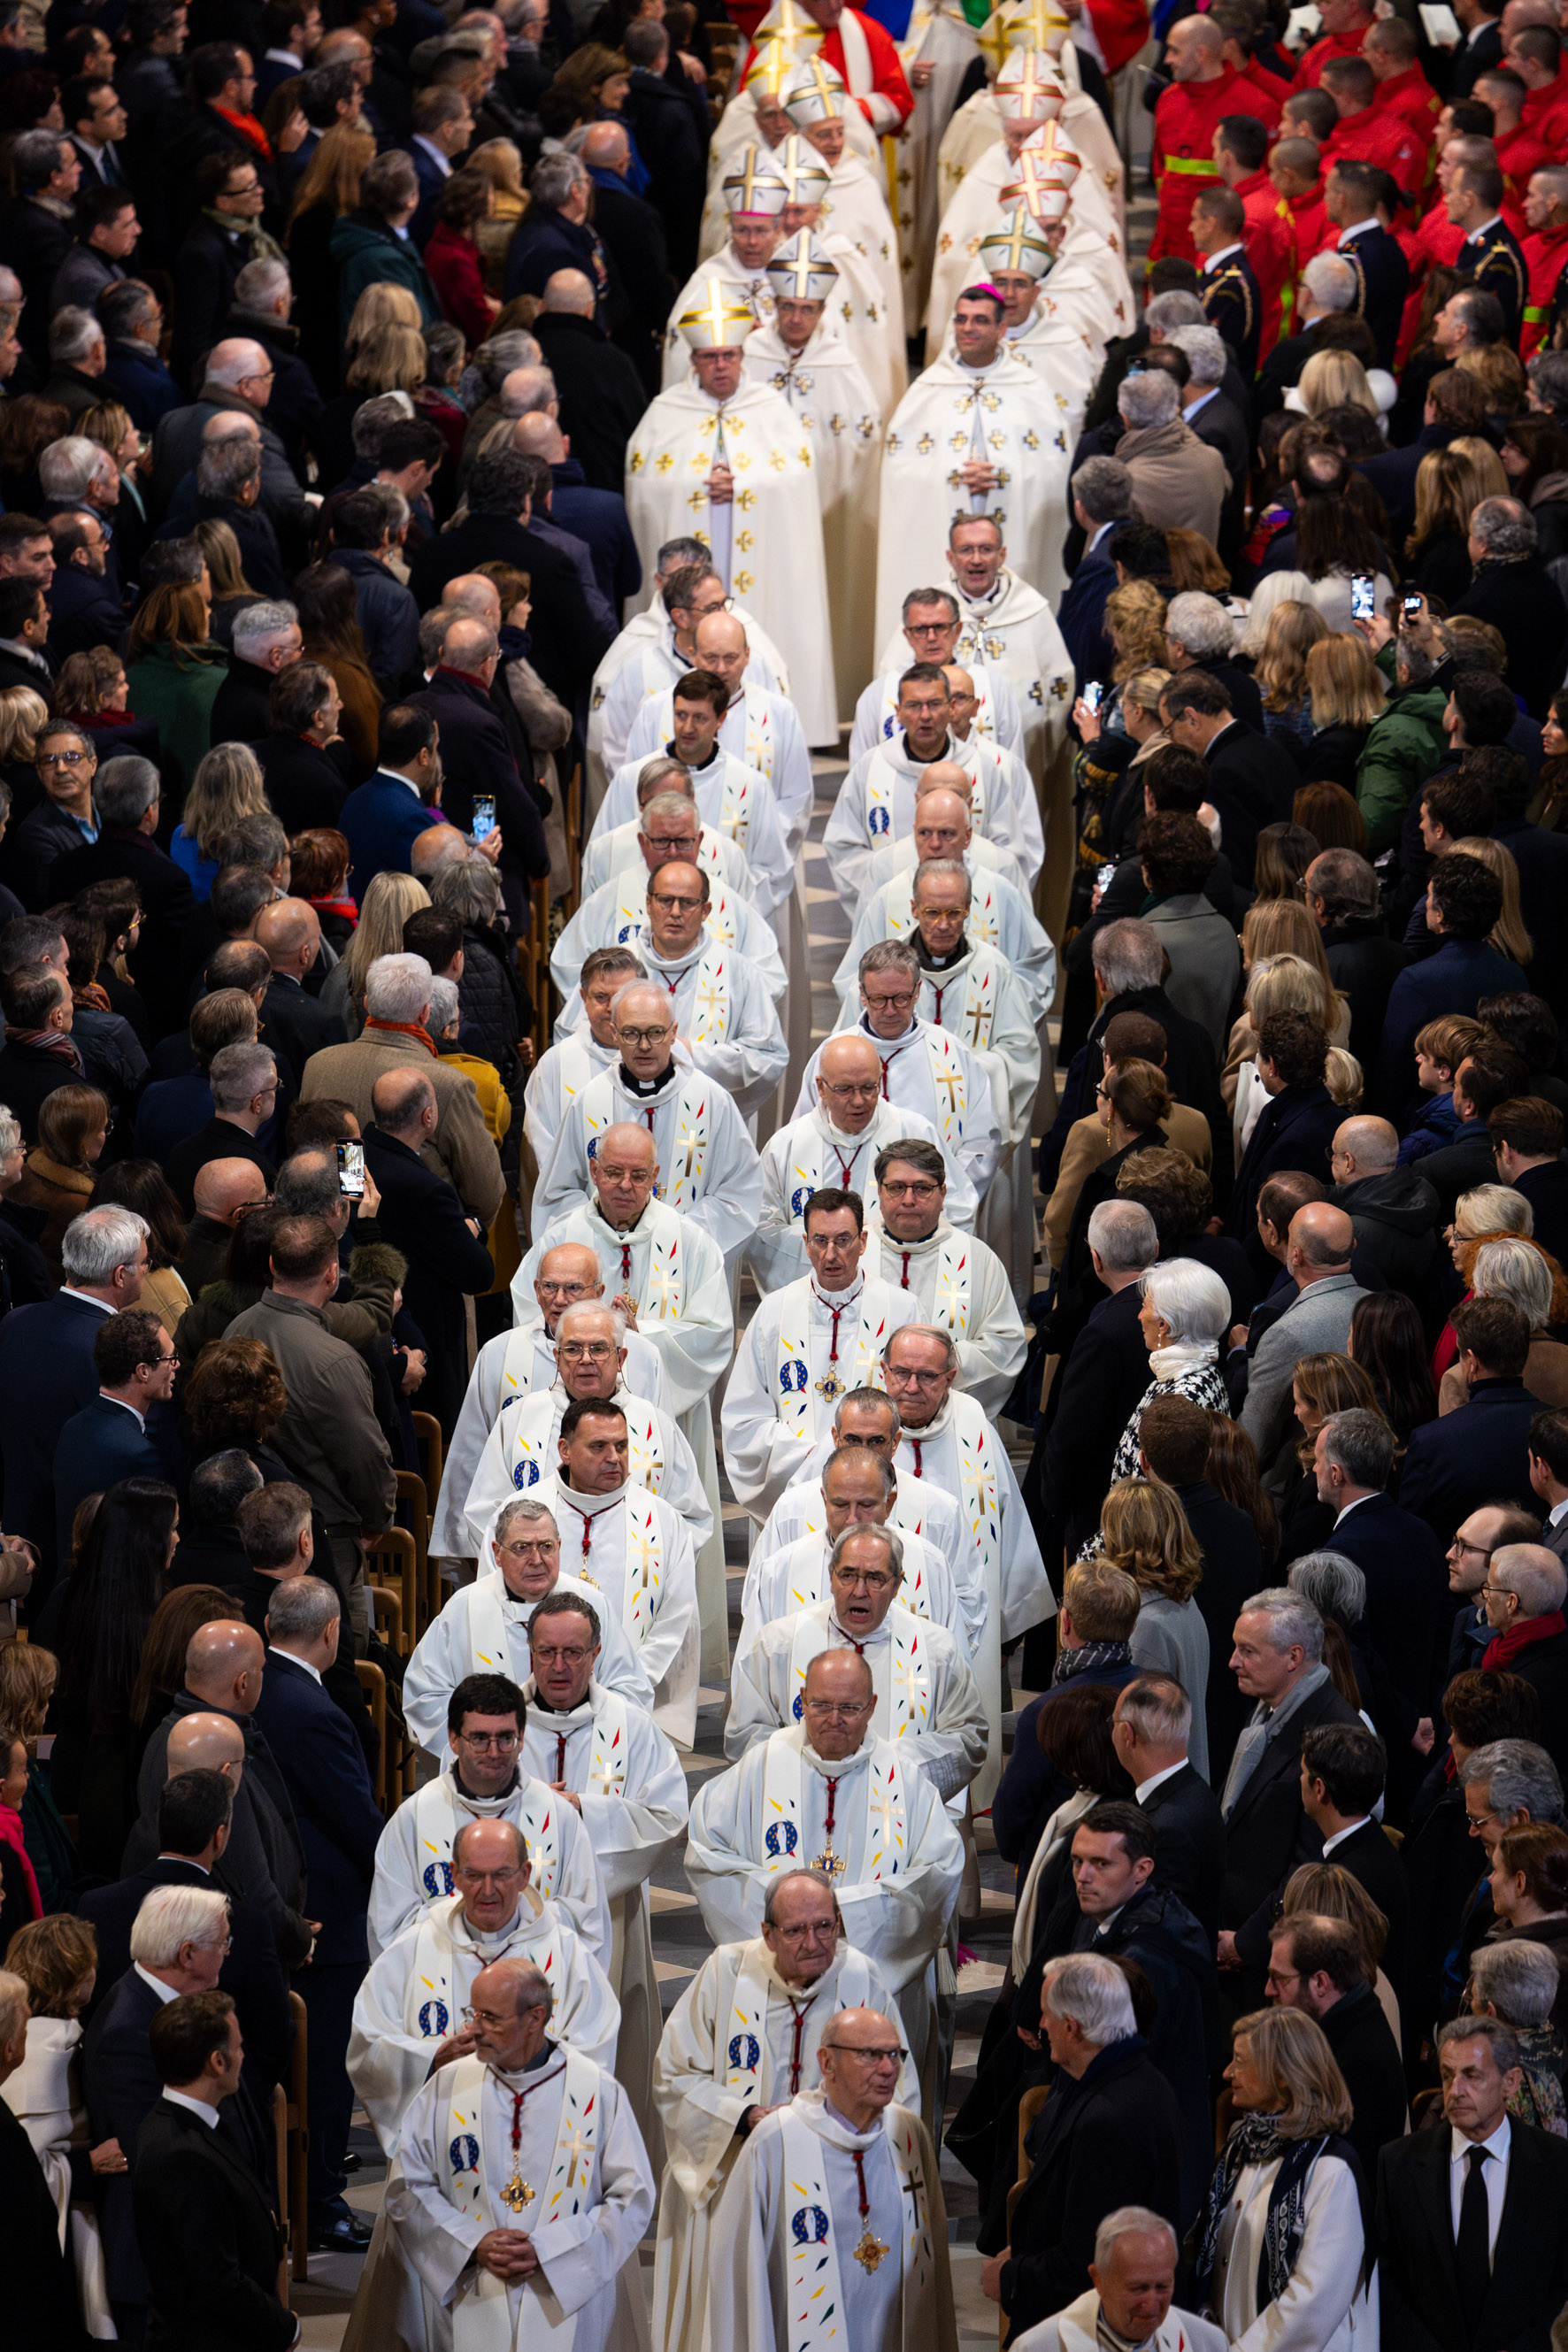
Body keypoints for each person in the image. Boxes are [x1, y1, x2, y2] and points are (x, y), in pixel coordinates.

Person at [653, 1867, 917, 2352]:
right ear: (768, 1935)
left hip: (831, 2187)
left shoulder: (861, 1978)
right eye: (795, 1930)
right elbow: (673, 2076)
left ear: (839, 1922)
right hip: (732, 2171)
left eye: (825, 1926)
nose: (813, 1942)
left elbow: (899, 2089)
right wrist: (747, 2116)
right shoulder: (726, 1972)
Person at [687, 1648, 963, 2107]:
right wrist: (794, 1924)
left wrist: (844, 1917)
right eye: (820, 1705)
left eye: (850, 1708)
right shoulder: (762, 1764)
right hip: (777, 1985)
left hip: (875, 1982)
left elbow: (936, 1874)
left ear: (872, 1707)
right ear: (801, 1701)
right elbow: (706, 1853)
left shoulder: (906, 1779)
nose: (834, 1719)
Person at [364, 1955, 651, 2352]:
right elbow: (407, 2186)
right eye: (473, 2013)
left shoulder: (596, 2091)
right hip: (470, 2285)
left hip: (567, 2296)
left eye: (490, 2018)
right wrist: (472, 2244)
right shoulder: (446, 2086)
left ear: (535, 2019)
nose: (472, 2029)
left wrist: (549, 2250)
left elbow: (631, 2197)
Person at [624, 286, 835, 748]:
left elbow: (796, 476)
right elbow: (645, 484)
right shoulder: (665, 412)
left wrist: (744, 486)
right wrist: (698, 481)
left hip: (759, 560)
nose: (721, 366)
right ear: (694, 360)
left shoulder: (770, 409)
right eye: (710, 356)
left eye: (730, 355)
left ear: (743, 356)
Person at [519, 1588, 688, 2153]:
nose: (559, 1666)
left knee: (607, 2056)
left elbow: (667, 1816)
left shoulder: (629, 1724)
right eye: (547, 1652)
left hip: (609, 1917)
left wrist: (584, 1812)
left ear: (596, 1655)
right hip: (510, 1923)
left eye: (573, 1652)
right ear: (530, 1651)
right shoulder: (496, 1725)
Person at [347, 1815, 620, 2156]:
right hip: (441, 2143)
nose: (487, 1890)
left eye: (502, 1875)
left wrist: (526, 2059)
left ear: (525, 1876)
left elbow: (596, 2051)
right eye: (474, 1875)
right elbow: (367, 2043)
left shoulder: (567, 1953)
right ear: (455, 1875)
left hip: (537, 2147)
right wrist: (432, 2059)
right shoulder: (414, 1947)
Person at [703, 1995, 953, 2352]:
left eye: (895, 2054)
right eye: (870, 2054)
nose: (888, 2069)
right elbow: (738, 2265)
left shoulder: (907, 2131)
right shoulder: (779, 2140)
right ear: (827, 2062)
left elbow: (933, 2252)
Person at [250, 1573, 380, 2253]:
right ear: (331, 1633)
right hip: (326, 1912)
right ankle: (322, 2202)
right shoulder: (317, 1711)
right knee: (327, 2066)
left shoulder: (261, 1685)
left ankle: (304, 2188)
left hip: (286, 1902)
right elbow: (355, 1816)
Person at [981, 1953, 1184, 2339]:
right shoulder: (1131, 2081)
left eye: (1046, 2015)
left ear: (1072, 2027)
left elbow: (1085, 2264)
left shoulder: (1110, 2119)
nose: (1041, 2025)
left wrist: (1009, 2278)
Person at [726, 1521, 986, 1798]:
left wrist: (884, 1766)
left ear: (897, 1584)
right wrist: (811, 1767)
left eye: (875, 1579)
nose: (859, 1591)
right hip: (803, 1804)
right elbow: (744, 1735)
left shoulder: (936, 1650)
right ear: (831, 1576)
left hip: (901, 1810)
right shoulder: (778, 1644)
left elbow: (969, 1737)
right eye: (848, 1575)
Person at [81, 1883, 234, 2343]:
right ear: (188, 1954)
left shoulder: (161, 2008)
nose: (228, 1953)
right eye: (223, 1942)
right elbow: (149, 2152)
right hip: (154, 2267)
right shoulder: (129, 2029)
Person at [401, 1498, 656, 1753]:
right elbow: (425, 1696)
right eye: (522, 1548)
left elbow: (631, 1690)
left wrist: (582, 1739)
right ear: (497, 1553)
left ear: (559, 1547)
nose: (536, 1559)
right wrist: (480, 1748)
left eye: (546, 1546)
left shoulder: (591, 1603)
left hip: (581, 1759)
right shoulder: (465, 1608)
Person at [1377, 2014, 1568, 2348]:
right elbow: (1385, 2274)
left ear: (1510, 2082)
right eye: (1448, 2075)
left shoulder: (1556, 2164)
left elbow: (1562, 2278)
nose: (1454, 2091)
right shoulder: (1398, 2163)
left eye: (1471, 2076)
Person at [1195, 2005, 1374, 2350]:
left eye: (1241, 2061)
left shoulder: (1330, 2169)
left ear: (1281, 2073)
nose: (1229, 2072)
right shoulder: (1240, 2149)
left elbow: (1313, 2301)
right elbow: (1215, 2262)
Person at [130, 1990, 296, 2352]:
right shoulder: (180, 2154)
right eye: (237, 2047)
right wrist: (284, 2328)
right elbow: (217, 2281)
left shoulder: (186, 2126)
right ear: (217, 2062)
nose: (243, 2055)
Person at [1220, 1589, 1363, 1937]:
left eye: (1247, 1651)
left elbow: (1312, 1865)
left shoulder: (1338, 1734)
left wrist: (1248, 1942)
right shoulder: (1264, 1714)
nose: (1233, 1662)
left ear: (1293, 1657)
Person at [360, 1066, 493, 1436]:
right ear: (428, 1117)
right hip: (421, 1336)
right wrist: (474, 1229)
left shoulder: (354, 1159)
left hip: (368, 1320)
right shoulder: (427, 1190)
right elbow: (479, 1274)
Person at [1264, 1911, 1406, 2175]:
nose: (1269, 1990)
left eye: (1279, 1978)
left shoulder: (1359, 2064)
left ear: (1320, 1982)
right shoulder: (1342, 2028)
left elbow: (1324, 2171)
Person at [1011, 2204, 1226, 2352]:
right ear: (1098, 2280)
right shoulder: (1038, 2347)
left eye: (1162, 2286)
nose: (1151, 2304)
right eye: (1138, 2288)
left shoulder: (1207, 2343)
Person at [50, 1308, 175, 1562]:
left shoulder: (72, 1427)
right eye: (170, 1358)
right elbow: (149, 1548)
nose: (176, 1365)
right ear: (143, 1371)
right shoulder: (141, 1456)